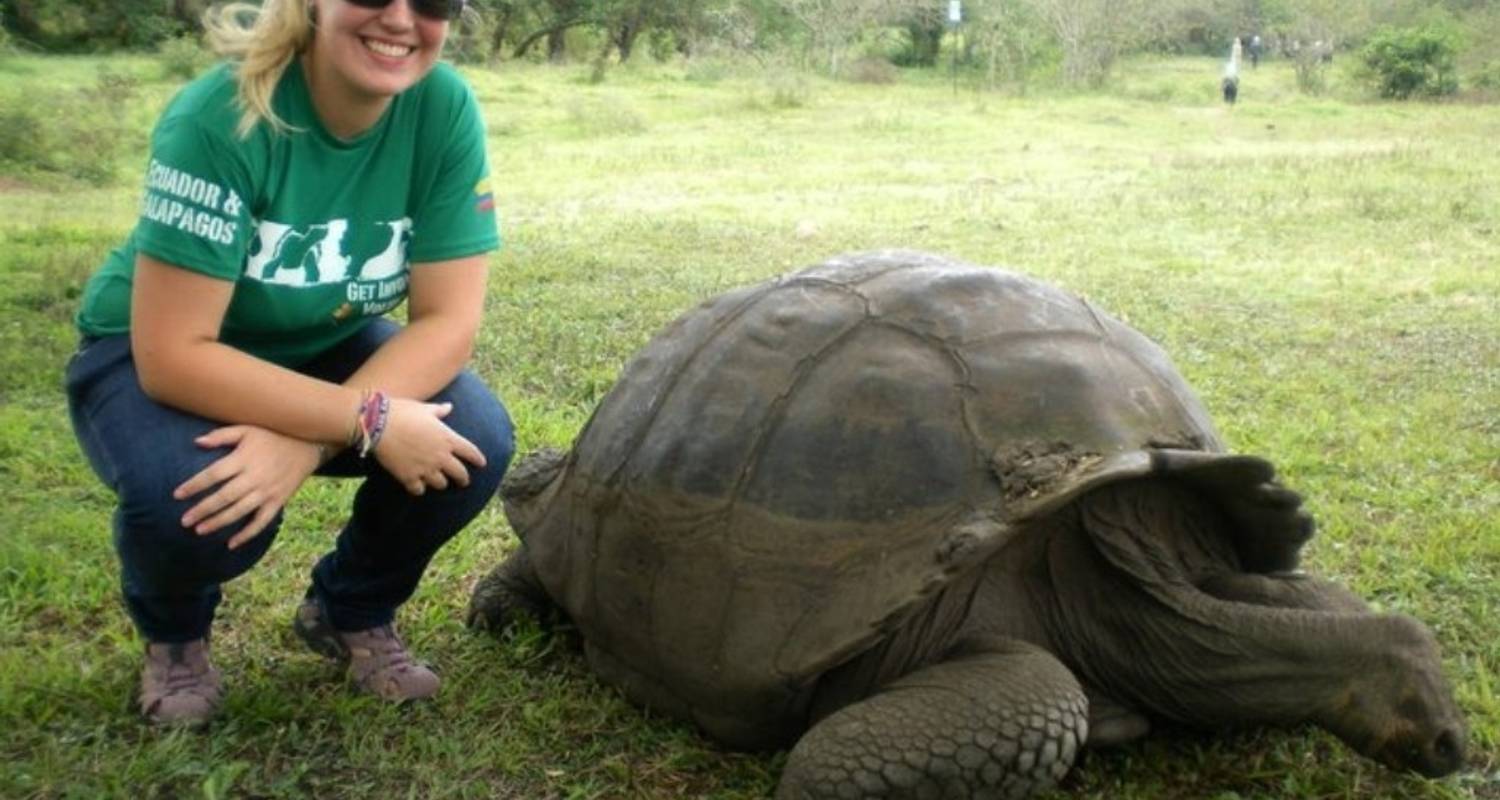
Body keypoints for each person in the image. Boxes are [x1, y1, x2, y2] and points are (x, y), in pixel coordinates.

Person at [65, 0, 514, 726]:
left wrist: (308, 438)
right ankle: (175, 639)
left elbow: (449, 322)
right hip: (152, 348)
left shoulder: (440, 106)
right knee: (193, 499)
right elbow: (173, 356)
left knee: (473, 439)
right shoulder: (221, 117)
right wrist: (361, 418)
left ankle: (349, 609)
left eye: (433, 0)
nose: (402, 18)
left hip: (318, 341)